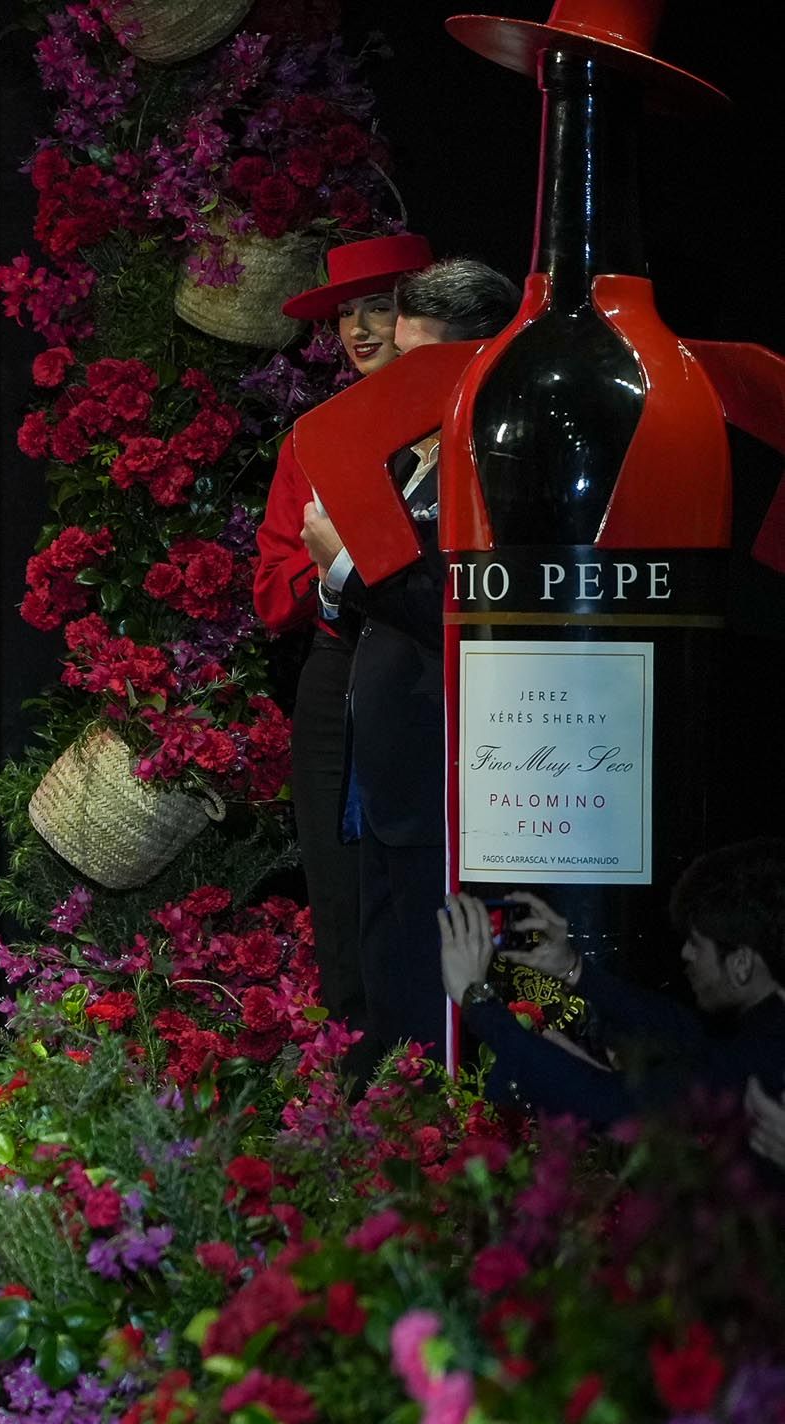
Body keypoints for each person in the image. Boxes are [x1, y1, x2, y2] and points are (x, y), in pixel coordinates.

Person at [300, 258, 521, 1060]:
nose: (404, 378)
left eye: (422, 359)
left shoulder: (500, 465)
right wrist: (337, 582)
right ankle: (391, 1144)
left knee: (448, 1000)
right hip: (385, 778)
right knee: (386, 990)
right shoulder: (402, 455)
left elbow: (468, 619)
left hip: (453, 772)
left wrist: (347, 570)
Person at [252, 233, 431, 1043]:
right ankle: (364, 1093)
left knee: (426, 885)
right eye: (346, 315)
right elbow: (272, 591)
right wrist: (330, 569)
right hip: (339, 671)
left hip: (439, 668)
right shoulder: (315, 439)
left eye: (381, 307)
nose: (360, 329)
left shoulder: (472, 426)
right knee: (341, 886)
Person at [438, 841, 785, 1127]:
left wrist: (477, 999)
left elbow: (617, 1106)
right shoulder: (763, 1028)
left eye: (696, 942)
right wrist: (572, 968)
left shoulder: (757, 1058)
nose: (685, 954)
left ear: (741, 963)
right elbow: (684, 1035)